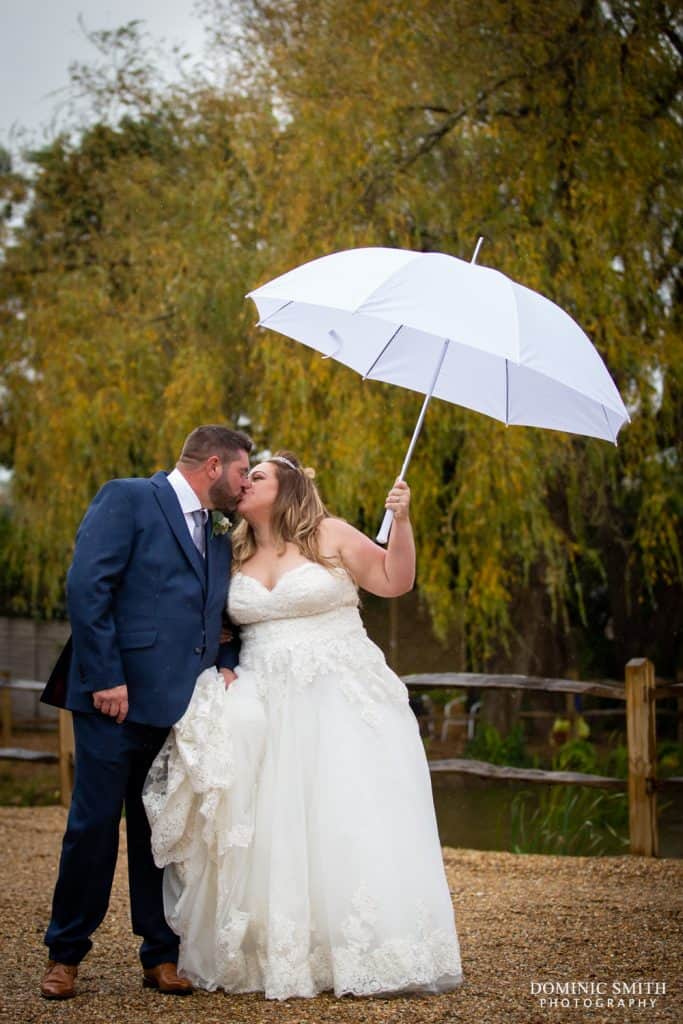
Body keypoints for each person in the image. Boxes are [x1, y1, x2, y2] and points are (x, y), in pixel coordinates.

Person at [144, 450, 462, 1000]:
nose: (244, 483)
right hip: (264, 693)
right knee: (270, 821)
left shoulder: (329, 535)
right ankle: (277, 951)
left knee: (342, 814)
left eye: (257, 476)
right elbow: (209, 623)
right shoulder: (229, 550)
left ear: (287, 488)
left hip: (337, 691)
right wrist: (219, 668)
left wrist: (402, 523)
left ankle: (364, 949)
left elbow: (393, 580)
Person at [39, 425, 253, 999]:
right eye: (241, 473)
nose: (244, 484)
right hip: (114, 701)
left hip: (180, 709)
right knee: (93, 827)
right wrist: (107, 676)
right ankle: (65, 954)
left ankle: (160, 954)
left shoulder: (219, 536)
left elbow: (217, 616)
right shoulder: (129, 497)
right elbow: (89, 586)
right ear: (213, 465)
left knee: (163, 833)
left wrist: (228, 659)